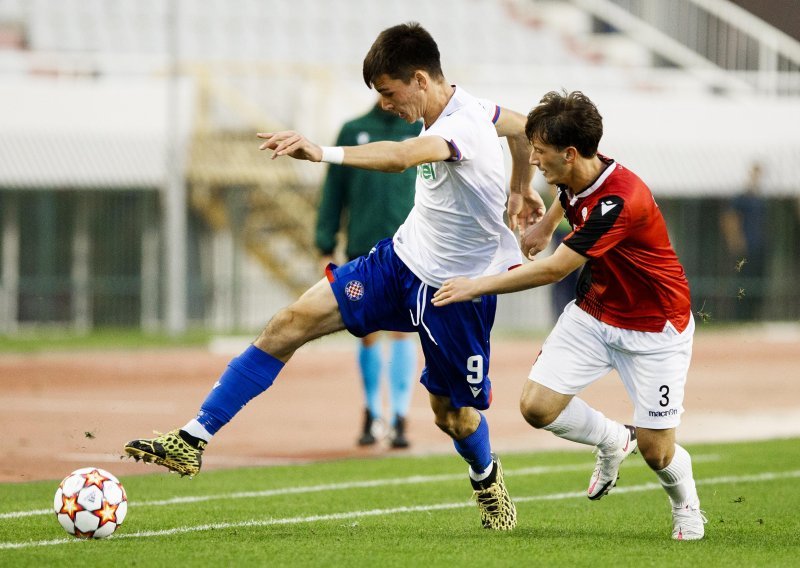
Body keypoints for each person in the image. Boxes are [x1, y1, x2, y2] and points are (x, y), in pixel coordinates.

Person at [124, 22, 545, 531]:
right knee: (290, 322)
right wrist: (521, 187)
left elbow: (400, 158)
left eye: (390, 94)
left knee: (450, 415)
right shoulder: (471, 109)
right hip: (401, 262)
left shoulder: (462, 126)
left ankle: (486, 477)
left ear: (419, 79)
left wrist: (321, 152)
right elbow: (524, 128)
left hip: (460, 291)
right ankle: (191, 439)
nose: (386, 105)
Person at [432, 90, 706, 541]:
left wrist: (474, 285)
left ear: (570, 153)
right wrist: (545, 224)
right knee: (536, 407)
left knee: (659, 453)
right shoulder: (581, 169)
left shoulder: (621, 202)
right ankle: (614, 438)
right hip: (596, 311)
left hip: (656, 327)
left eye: (539, 152)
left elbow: (556, 269)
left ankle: (687, 507)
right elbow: (567, 191)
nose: (534, 160)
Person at [315, 99, 420, 448]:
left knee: (404, 332)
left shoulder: (421, 130)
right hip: (363, 248)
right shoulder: (352, 129)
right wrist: (324, 243)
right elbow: (333, 191)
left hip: (413, 251)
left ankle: (400, 416)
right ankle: (374, 412)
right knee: (369, 333)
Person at [720, 161, 767, 321]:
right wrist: (735, 241)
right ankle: (740, 316)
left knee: (756, 281)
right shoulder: (741, 198)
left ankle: (753, 317)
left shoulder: (760, 198)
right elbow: (729, 218)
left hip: (758, 246)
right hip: (746, 247)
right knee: (742, 282)